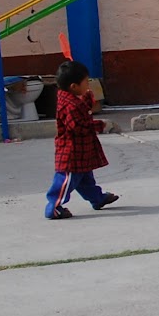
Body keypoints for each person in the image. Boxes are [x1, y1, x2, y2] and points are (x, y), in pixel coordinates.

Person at [44, 59, 119, 220]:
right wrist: (100, 125)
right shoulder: (70, 105)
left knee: (86, 179)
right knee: (65, 181)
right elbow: (80, 127)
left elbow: (83, 110)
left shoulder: (72, 99)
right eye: (86, 82)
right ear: (74, 86)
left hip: (81, 152)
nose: (88, 85)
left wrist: (87, 99)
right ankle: (54, 207)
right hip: (71, 153)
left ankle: (97, 198)